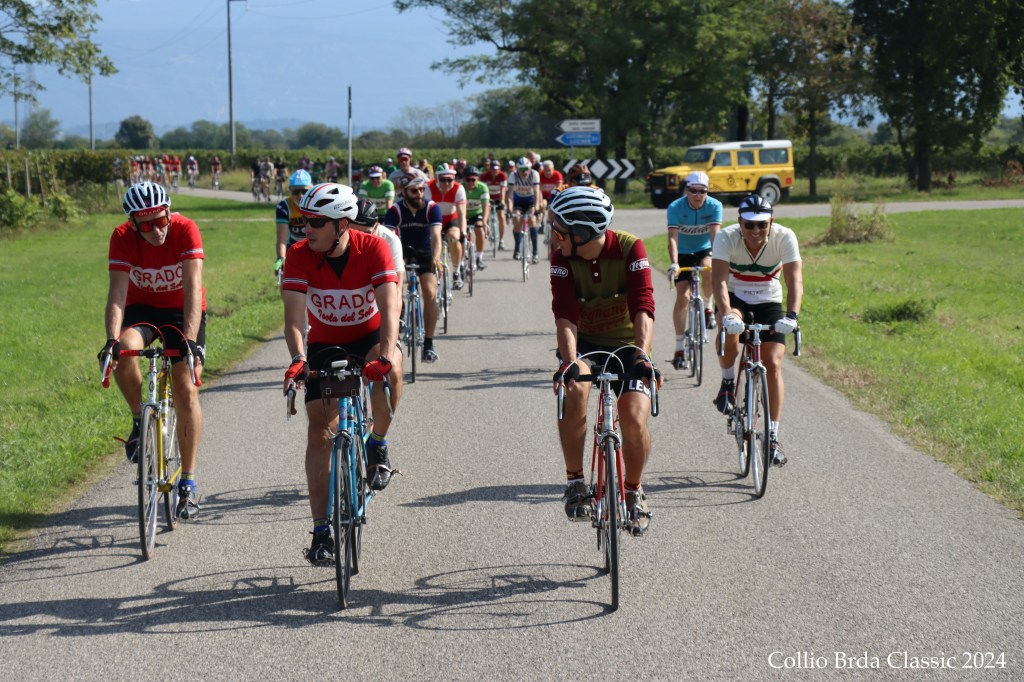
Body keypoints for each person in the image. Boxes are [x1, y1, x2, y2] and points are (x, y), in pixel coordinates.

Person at [280, 183, 403, 566]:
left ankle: (377, 441)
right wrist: (298, 358)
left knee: (391, 372)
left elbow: (390, 307)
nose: (306, 229)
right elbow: (293, 319)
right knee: (319, 431)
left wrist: (385, 355)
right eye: (304, 220)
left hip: (370, 337)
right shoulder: (298, 255)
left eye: (316, 222)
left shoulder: (374, 248)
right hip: (324, 343)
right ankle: (321, 532)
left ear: (342, 225)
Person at [549, 186, 658, 536]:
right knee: (574, 389)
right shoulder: (561, 257)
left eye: (559, 230)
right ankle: (575, 482)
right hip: (584, 345)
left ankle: (634, 490)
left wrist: (642, 354)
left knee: (634, 417)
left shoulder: (630, 247)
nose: (554, 235)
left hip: (627, 345)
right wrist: (569, 362)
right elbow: (565, 313)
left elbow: (643, 304)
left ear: (582, 232)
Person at [99, 182, 206, 520]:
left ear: (169, 213)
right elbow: (117, 294)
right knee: (124, 351)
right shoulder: (121, 238)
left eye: (161, 221)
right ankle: (138, 419)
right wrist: (111, 340)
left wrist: (190, 342)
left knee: (186, 386)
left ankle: (187, 483)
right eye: (146, 226)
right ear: (132, 223)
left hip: (181, 311)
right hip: (141, 309)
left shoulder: (185, 229)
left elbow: (193, 288)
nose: (157, 230)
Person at [711, 194, 803, 467]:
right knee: (729, 331)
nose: (755, 230)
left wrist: (792, 316)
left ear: (771, 222)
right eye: (749, 224)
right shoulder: (726, 238)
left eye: (762, 224)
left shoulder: (785, 237)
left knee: (773, 363)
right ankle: (728, 382)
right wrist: (727, 314)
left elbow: (795, 280)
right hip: (736, 296)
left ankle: (772, 437)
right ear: (739, 222)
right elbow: (718, 281)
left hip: (769, 299)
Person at [384, 174, 444, 362]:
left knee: (430, 292)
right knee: (394, 289)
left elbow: (436, 236)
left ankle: (429, 343)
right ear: (404, 192)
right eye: (414, 191)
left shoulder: (432, 208)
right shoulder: (395, 210)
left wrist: (436, 258)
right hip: (402, 252)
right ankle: (399, 315)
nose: (419, 194)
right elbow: (387, 238)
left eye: (421, 190)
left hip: (426, 252)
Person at [667, 171, 722, 370]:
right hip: (682, 252)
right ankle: (679, 349)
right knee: (682, 297)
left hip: (704, 249)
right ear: (686, 190)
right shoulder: (675, 207)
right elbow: (672, 238)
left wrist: (719, 259)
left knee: (709, 268)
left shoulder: (715, 206)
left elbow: (715, 236)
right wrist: (674, 263)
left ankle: (708, 306)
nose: (698, 195)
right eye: (693, 191)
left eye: (702, 191)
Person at [426, 163, 468, 289]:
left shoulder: (459, 188)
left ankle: (456, 272)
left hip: (451, 219)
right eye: (443, 180)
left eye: (450, 180)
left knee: (454, 238)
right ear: (437, 179)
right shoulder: (428, 187)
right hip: (434, 220)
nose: (446, 183)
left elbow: (461, 213)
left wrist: (463, 232)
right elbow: (425, 212)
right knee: (431, 243)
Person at [275, 170, 314, 281]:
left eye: (304, 191)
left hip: (315, 245)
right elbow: (282, 238)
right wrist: (281, 259)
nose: (300, 195)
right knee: (285, 277)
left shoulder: (317, 204)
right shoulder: (284, 206)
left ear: (311, 189)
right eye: (296, 192)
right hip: (293, 246)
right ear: (290, 191)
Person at [507, 157, 542, 263]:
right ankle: (517, 247)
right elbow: (509, 195)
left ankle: (535, 252)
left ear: (530, 168)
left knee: (532, 220)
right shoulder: (513, 175)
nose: (524, 172)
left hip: (530, 201)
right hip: (518, 202)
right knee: (517, 221)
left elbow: (536, 192)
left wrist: (536, 207)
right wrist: (509, 210)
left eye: (526, 169)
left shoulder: (534, 174)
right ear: (517, 169)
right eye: (521, 169)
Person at [462, 166, 491, 271]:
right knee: (461, 235)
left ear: (477, 179)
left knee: (479, 229)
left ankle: (479, 257)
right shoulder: (460, 188)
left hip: (476, 214)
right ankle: (463, 257)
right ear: (464, 179)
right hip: (463, 215)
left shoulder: (482, 188)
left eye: (473, 180)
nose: (471, 182)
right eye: (468, 180)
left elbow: (485, 206)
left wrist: (485, 221)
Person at [479, 160, 508, 250]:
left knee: (501, 216)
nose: (495, 172)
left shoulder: (502, 175)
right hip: (488, 198)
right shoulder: (484, 176)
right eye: (493, 170)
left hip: (499, 197)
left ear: (499, 169)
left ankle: (501, 240)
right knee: (486, 214)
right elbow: (482, 190)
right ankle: (487, 230)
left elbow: (503, 189)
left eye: (496, 169)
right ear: (490, 169)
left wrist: (502, 200)